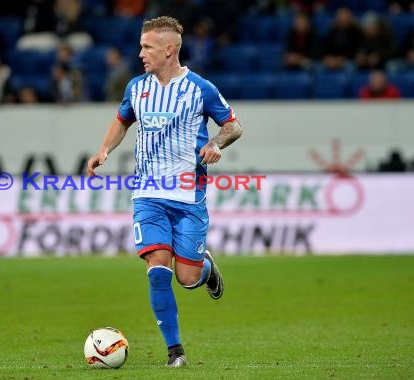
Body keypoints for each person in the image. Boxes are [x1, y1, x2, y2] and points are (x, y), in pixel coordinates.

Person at [86, 16, 242, 367]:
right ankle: (176, 352)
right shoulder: (136, 87)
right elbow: (122, 119)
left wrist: (217, 142)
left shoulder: (200, 88)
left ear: (169, 49)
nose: (140, 53)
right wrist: (104, 149)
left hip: (189, 197)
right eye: (141, 46)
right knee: (158, 268)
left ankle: (204, 268)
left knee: (187, 278)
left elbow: (233, 125)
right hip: (148, 195)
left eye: (147, 47)